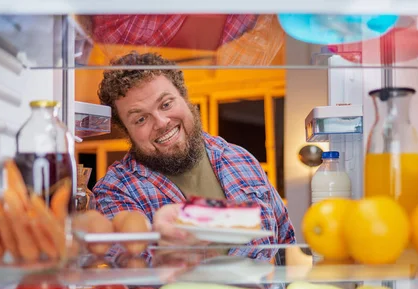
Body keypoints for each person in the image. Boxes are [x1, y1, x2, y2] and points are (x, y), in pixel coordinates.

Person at [93, 51, 296, 248]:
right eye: (141, 119)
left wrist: (195, 218)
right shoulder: (115, 191)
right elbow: (135, 269)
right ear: (127, 132)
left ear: (185, 98)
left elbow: (285, 243)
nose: (161, 122)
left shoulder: (240, 158)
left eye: (165, 104)